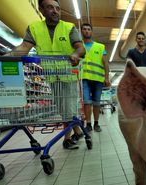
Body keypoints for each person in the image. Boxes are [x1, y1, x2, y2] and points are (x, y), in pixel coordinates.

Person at [11, 0, 85, 150]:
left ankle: (67, 138)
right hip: (51, 75)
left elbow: (80, 48)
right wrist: (7, 56)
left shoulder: (69, 27)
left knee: (69, 108)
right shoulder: (34, 28)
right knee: (62, 108)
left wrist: (76, 55)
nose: (55, 11)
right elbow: (24, 47)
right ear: (42, 10)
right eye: (50, 7)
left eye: (57, 8)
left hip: (68, 74)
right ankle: (78, 130)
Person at [79, 23, 110, 133]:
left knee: (96, 102)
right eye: (84, 29)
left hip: (98, 79)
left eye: (88, 29)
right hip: (84, 78)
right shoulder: (78, 46)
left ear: (92, 32)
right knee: (87, 102)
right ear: (81, 31)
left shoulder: (100, 47)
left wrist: (107, 78)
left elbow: (106, 63)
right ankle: (88, 124)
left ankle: (96, 123)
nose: (86, 31)